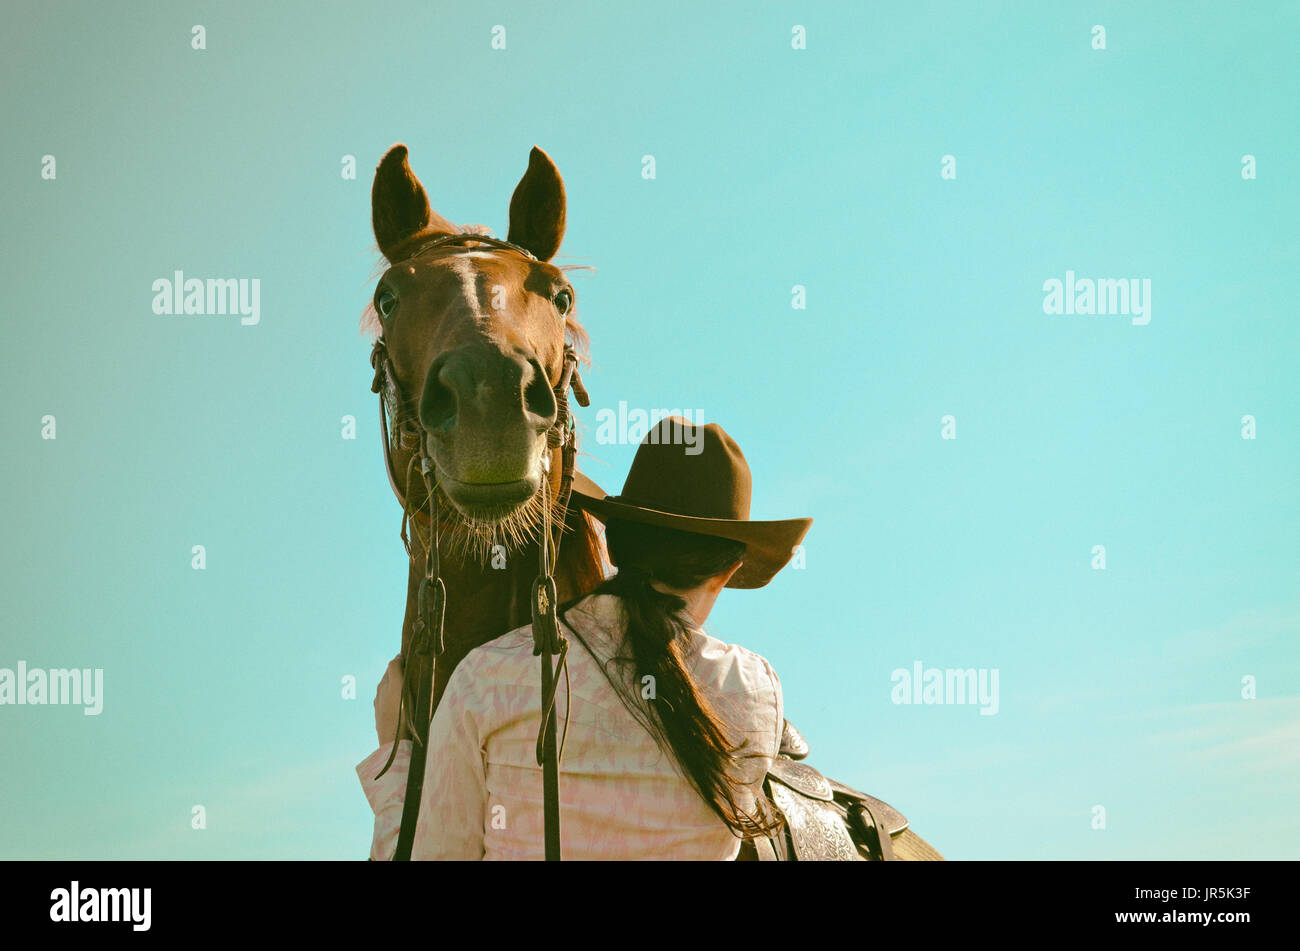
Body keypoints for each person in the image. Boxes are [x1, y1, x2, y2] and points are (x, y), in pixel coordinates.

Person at [356, 416, 812, 859]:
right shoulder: (754, 692)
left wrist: (392, 758)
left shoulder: (486, 676)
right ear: (729, 569)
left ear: (614, 543)